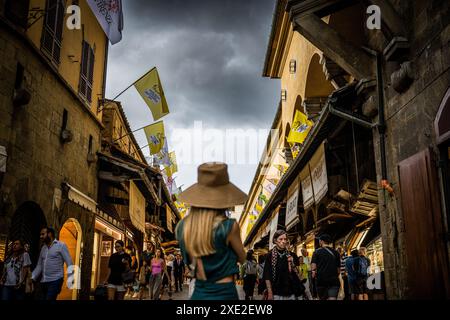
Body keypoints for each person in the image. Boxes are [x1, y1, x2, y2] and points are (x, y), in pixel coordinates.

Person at [176, 162, 247, 300]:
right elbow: (242, 258)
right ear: (225, 194)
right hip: (225, 293)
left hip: (199, 292)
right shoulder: (229, 226)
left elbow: (188, 260)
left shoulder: (183, 227)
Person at [31, 227, 73, 300]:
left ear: (50, 234)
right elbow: (39, 265)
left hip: (55, 281)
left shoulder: (61, 246)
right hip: (43, 281)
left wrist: (70, 278)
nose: (41, 237)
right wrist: (32, 277)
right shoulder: (43, 248)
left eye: (43, 234)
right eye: (40, 235)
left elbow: (69, 262)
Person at [263, 230, 300, 300]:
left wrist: (292, 264)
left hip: (291, 292)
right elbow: (267, 276)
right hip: (276, 293)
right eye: (281, 239)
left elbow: (297, 274)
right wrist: (270, 292)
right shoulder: (270, 255)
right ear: (275, 240)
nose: (283, 241)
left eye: (285, 239)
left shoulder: (291, 255)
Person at [311, 234, 341, 300]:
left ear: (321, 241)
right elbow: (338, 270)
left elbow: (313, 267)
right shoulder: (336, 253)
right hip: (334, 281)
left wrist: (314, 275)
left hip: (321, 281)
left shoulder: (316, 252)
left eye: (319, 240)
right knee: (332, 298)